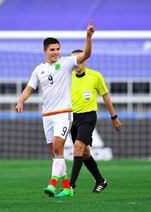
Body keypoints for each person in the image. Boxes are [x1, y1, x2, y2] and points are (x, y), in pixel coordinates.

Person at [15, 21, 95, 198]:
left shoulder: (66, 63)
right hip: (47, 115)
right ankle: (67, 187)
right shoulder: (39, 69)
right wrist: (21, 101)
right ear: (45, 51)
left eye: (58, 49)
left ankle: (52, 184)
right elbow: (29, 88)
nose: (56, 52)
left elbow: (86, 53)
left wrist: (88, 37)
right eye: (52, 49)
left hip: (63, 114)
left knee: (59, 146)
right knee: (55, 152)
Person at [69, 49, 122, 193]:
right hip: (72, 118)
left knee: (78, 147)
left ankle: (70, 185)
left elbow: (106, 97)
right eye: (74, 60)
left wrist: (114, 117)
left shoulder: (95, 76)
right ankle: (100, 180)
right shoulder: (67, 77)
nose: (77, 63)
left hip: (88, 117)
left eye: (79, 59)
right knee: (85, 152)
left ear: (85, 59)